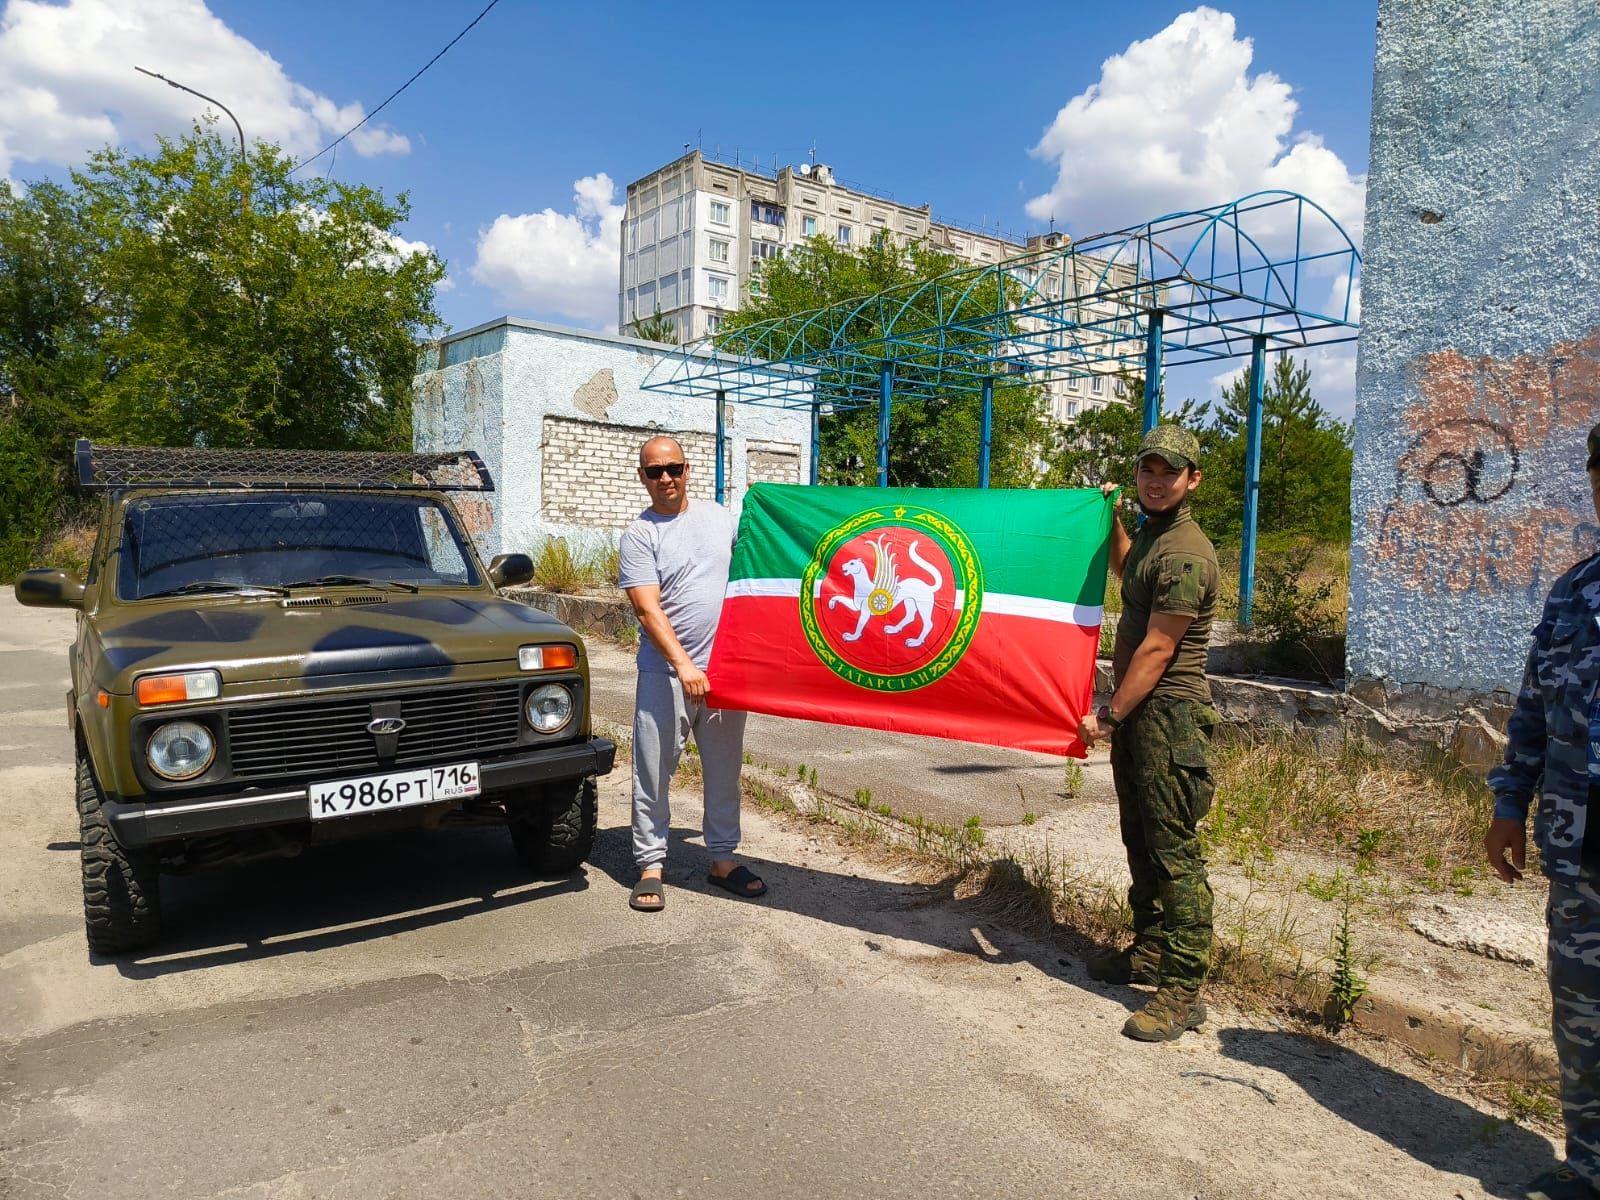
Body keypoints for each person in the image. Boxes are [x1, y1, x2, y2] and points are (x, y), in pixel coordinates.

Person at [1077, 423, 1220, 1042]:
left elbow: (1160, 647)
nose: (1156, 482)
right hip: (1144, 715)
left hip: (1169, 716)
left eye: (1169, 472)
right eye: (1147, 471)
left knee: (1174, 852)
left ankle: (1185, 990)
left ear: (1193, 480)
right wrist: (1110, 517)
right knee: (1139, 836)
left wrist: (1110, 715)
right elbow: (1124, 566)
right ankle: (1151, 949)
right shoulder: (1155, 540)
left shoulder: (1187, 551)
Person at [1487, 424, 1600, 1200]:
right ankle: (1589, 1168)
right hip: (1580, 846)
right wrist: (1508, 804)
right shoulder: (1575, 591)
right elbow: (1532, 710)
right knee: (1583, 1020)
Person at [618, 435, 765, 912]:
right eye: (655, 471)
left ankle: (722, 860)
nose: (666, 479)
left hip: (724, 673)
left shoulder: (719, 519)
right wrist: (683, 665)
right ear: (642, 477)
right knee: (653, 771)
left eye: (673, 469)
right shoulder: (640, 535)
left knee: (725, 771)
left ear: (688, 470)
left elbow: (762, 556)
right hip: (665, 674)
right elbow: (646, 608)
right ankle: (650, 866)